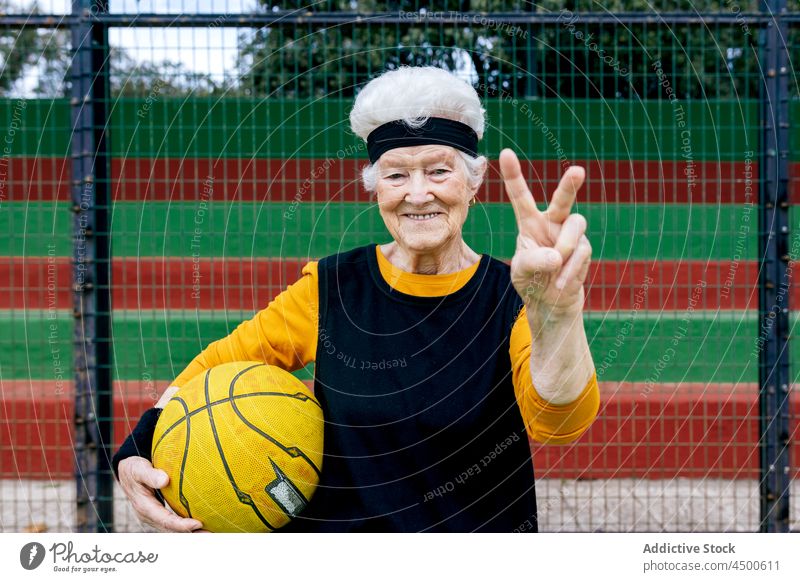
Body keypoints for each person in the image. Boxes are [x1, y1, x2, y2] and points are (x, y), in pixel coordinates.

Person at [113, 65, 600, 533]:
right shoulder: (330, 287)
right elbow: (204, 375)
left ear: (473, 180)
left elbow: (558, 424)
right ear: (374, 188)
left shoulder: (513, 297)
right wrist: (136, 448)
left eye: (438, 170)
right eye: (395, 175)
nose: (417, 194)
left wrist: (554, 315)